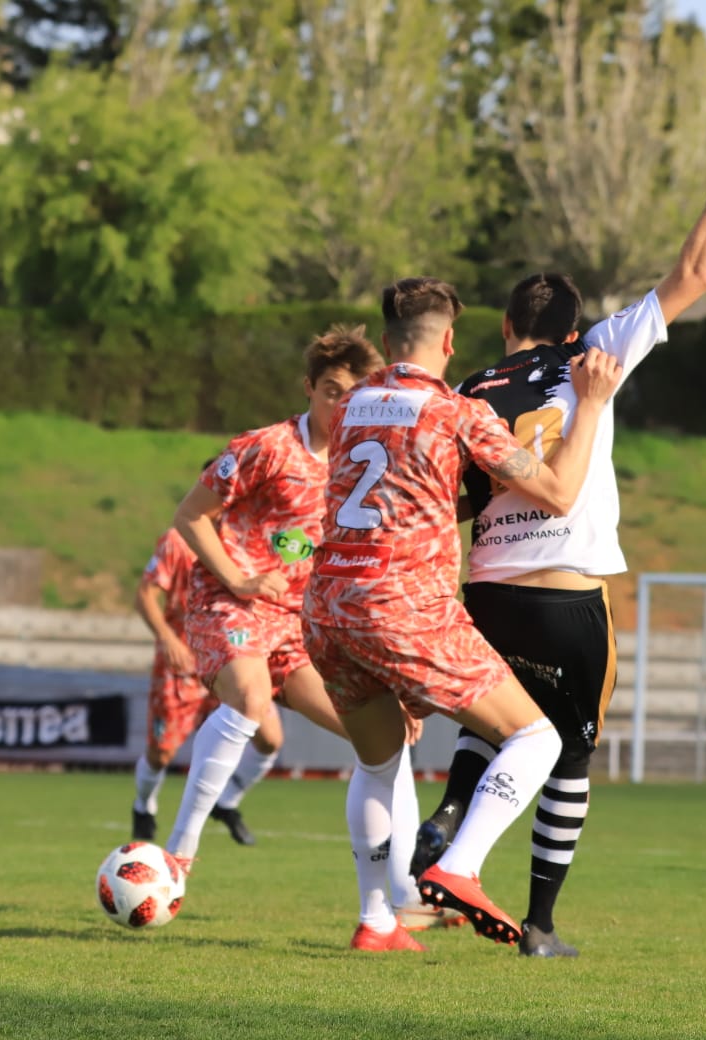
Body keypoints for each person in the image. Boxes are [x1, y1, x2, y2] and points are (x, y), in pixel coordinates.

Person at [409, 97, 706, 958]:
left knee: (497, 721)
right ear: (569, 328)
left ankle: (450, 812)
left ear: (504, 328)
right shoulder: (594, 352)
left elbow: (444, 496)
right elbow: (698, 271)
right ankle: (543, 923)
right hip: (567, 594)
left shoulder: (471, 387)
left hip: (483, 590)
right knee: (568, 755)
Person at [301, 277, 623, 953]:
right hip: (403, 604)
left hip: (328, 602)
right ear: (450, 341)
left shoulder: (354, 403)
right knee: (539, 740)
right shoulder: (454, 412)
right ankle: (460, 867)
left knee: (378, 766)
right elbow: (560, 492)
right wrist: (590, 406)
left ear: (387, 344)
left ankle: (378, 921)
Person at [159, 326, 437, 914]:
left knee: (389, 736)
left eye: (354, 395)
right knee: (249, 696)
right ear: (309, 388)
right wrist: (237, 578)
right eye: (331, 391)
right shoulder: (265, 447)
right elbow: (190, 516)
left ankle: (404, 894)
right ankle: (178, 857)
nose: (341, 405)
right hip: (230, 604)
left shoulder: (372, 464)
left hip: (303, 626)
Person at [129, 506, 277, 847]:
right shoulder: (177, 541)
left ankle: (227, 803)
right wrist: (168, 639)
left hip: (235, 656)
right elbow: (145, 595)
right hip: (185, 660)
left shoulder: (254, 541)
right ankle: (143, 806)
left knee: (269, 738)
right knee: (161, 753)